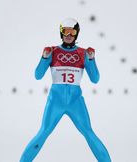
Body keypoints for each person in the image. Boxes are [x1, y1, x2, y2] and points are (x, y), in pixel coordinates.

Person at [20, 18, 111, 162]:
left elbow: (95, 79)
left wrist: (92, 59)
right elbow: (37, 76)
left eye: (72, 32)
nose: (68, 35)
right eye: (65, 31)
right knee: (43, 132)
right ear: (61, 32)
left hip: (75, 101)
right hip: (55, 100)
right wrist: (44, 57)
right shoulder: (53, 51)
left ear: (77, 34)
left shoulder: (83, 53)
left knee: (88, 133)